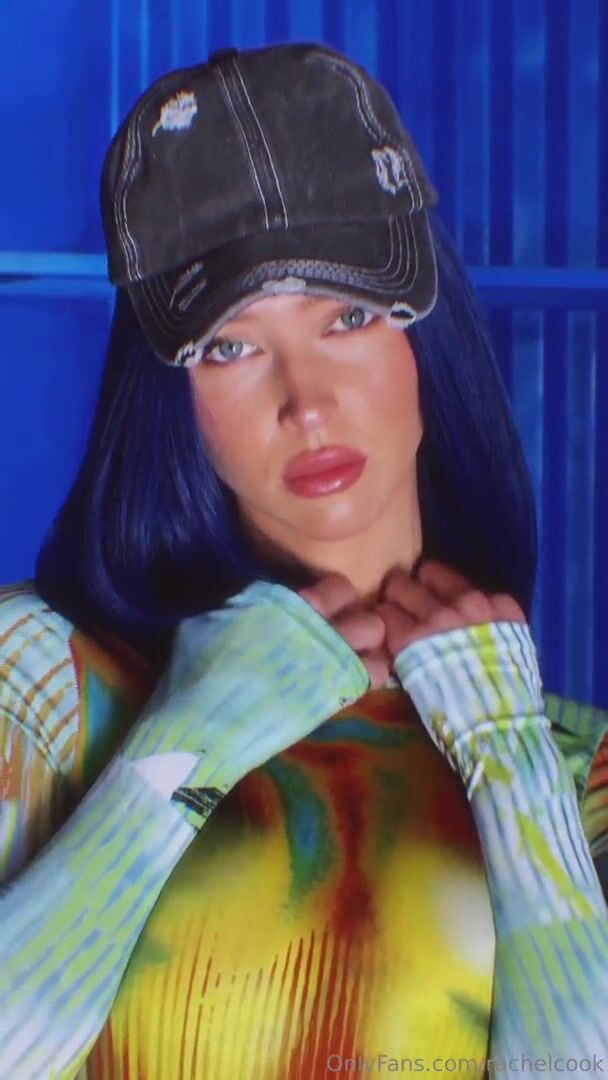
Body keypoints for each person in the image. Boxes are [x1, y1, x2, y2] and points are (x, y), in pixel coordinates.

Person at [1, 41, 607, 1080]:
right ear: (170, 396)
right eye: (230, 346)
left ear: (429, 343)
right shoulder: (42, 678)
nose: (307, 401)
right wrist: (192, 738)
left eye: (350, 316)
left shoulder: (572, 765)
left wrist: (505, 756)